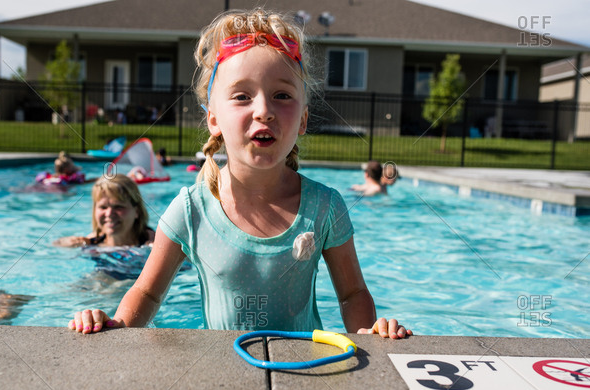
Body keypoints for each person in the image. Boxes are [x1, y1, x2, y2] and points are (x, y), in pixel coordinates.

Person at [68, 8, 411, 338]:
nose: (264, 110)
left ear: (303, 120)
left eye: (281, 95)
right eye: (242, 96)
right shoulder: (191, 209)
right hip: (222, 372)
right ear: (213, 120)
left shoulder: (324, 207)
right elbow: (147, 292)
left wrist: (368, 333)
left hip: (307, 369)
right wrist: (116, 325)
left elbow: (352, 294)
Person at [54, 174, 155, 248]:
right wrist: (70, 242)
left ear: (136, 211)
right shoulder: (93, 240)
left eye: (118, 207)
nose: (109, 214)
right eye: (103, 207)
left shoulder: (150, 241)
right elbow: (56, 244)